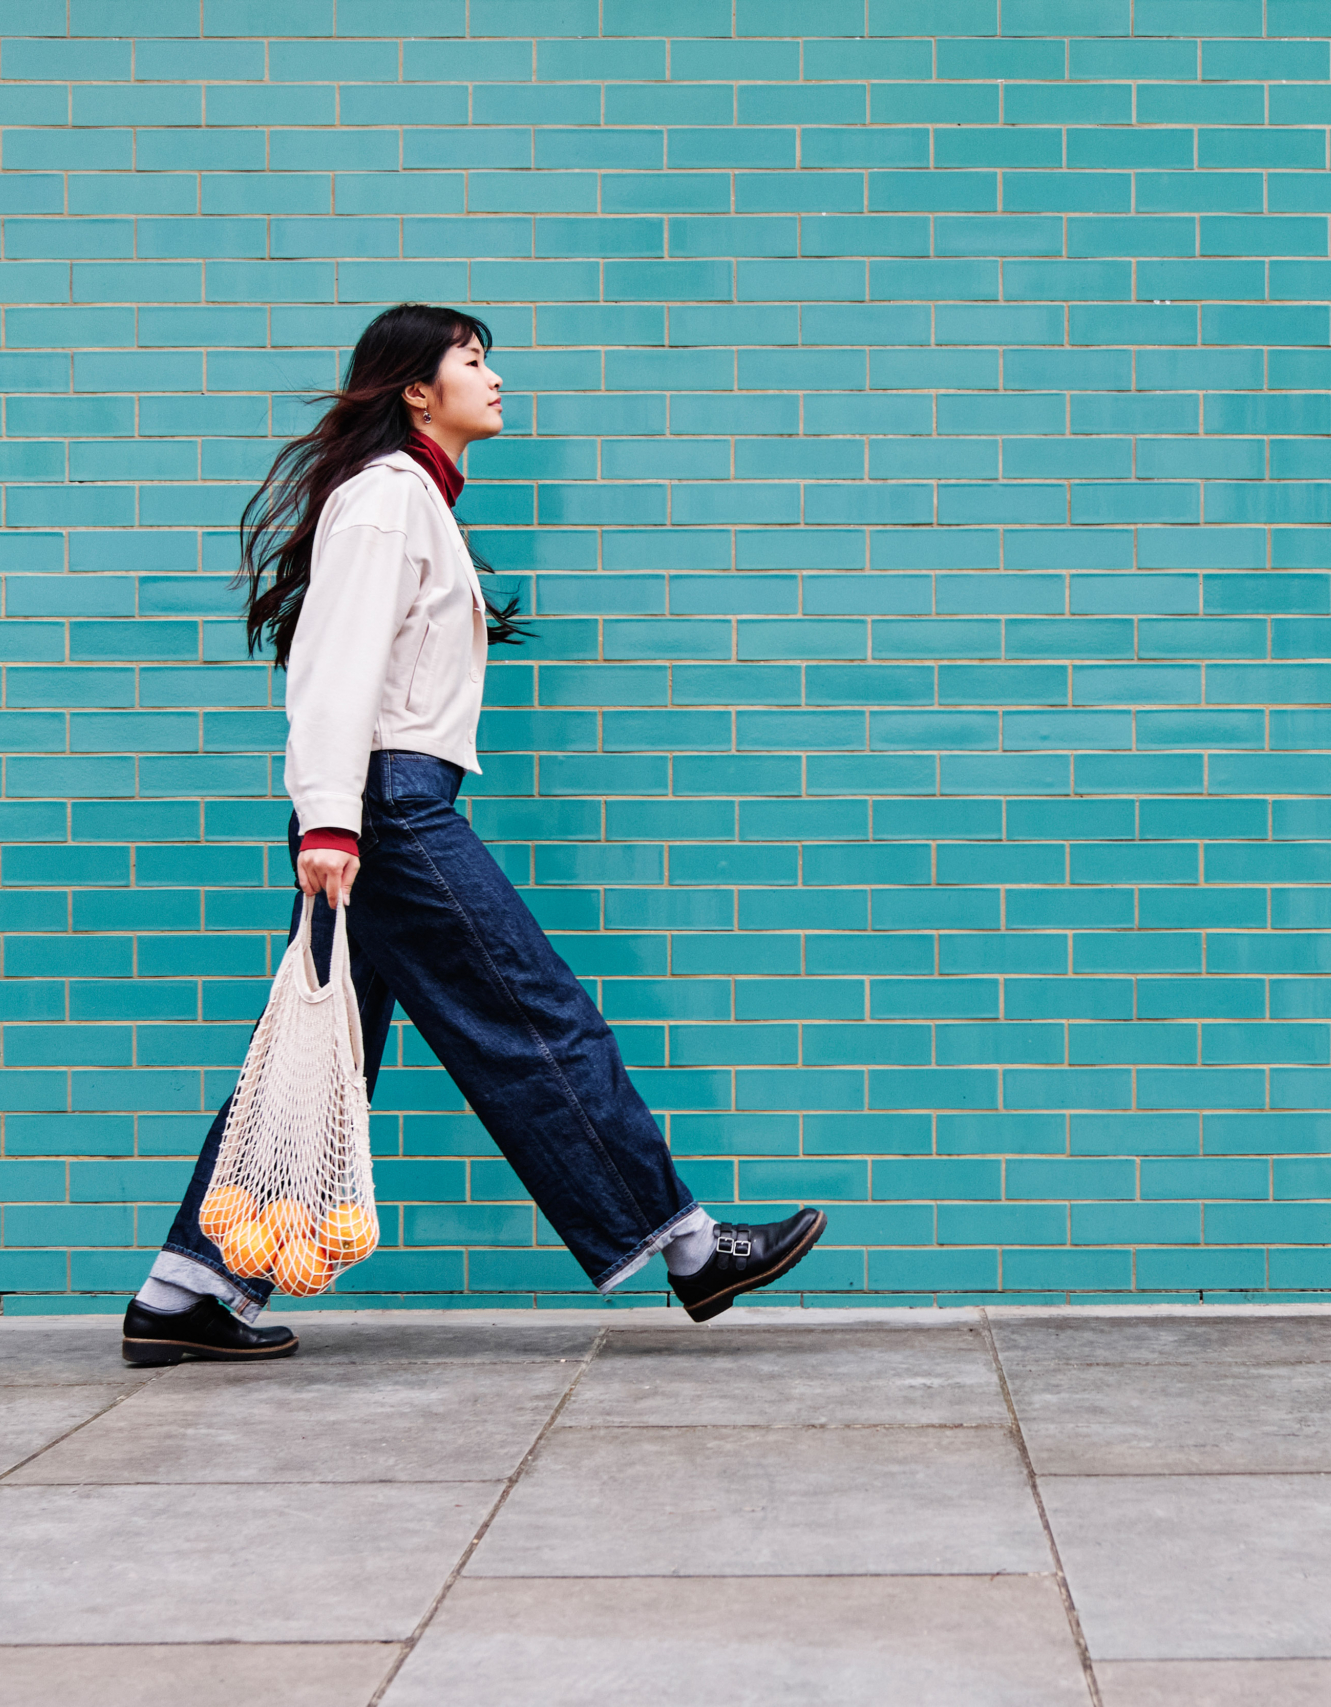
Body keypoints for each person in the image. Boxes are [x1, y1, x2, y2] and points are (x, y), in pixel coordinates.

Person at [118, 303, 825, 1365]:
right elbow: (333, 670)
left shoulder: (416, 505)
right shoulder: (385, 501)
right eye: (473, 361)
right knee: (540, 1016)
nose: (495, 380)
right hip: (386, 814)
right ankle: (687, 1246)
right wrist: (330, 822)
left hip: (385, 809)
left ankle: (185, 1293)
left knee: (324, 1063)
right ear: (418, 388)